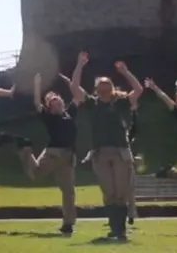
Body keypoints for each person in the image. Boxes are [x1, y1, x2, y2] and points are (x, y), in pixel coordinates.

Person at [70, 52, 144, 241]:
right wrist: (79, 65)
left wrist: (125, 72)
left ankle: (120, 230)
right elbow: (74, 87)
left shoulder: (120, 103)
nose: (104, 86)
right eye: (101, 84)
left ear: (111, 86)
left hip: (120, 151)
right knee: (108, 192)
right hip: (100, 152)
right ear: (96, 88)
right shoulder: (91, 104)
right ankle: (115, 228)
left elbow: (138, 89)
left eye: (107, 83)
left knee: (121, 191)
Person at [14, 73, 80, 234]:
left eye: (59, 103)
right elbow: (37, 103)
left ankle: (68, 223)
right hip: (53, 154)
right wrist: (37, 85)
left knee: (69, 191)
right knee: (36, 175)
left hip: (68, 157)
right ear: (50, 107)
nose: (57, 106)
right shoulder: (49, 118)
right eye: (54, 105)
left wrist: (69, 82)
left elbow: (78, 95)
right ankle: (26, 151)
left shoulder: (70, 114)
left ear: (63, 104)